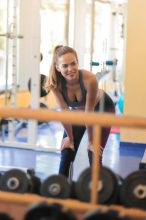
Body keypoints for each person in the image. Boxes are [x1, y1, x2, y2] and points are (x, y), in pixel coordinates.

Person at [44, 45, 115, 177]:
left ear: (78, 62)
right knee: (67, 150)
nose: (70, 69)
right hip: (81, 111)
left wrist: (91, 141)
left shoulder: (90, 79)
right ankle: (60, 189)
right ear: (57, 67)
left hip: (103, 108)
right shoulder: (55, 84)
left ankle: (100, 191)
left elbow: (89, 111)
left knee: (94, 152)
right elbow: (64, 112)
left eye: (73, 64)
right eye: (65, 66)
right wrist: (70, 138)